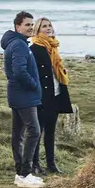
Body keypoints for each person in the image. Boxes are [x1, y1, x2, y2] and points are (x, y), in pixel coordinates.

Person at [1, 10, 42, 188]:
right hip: (24, 95)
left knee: (18, 134)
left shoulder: (17, 43)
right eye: (27, 25)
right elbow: (19, 70)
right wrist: (33, 84)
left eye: (32, 25)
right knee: (34, 131)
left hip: (18, 94)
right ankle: (25, 173)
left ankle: (20, 173)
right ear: (18, 26)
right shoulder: (19, 45)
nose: (30, 28)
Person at [29, 16, 72, 175]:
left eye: (49, 26)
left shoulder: (53, 47)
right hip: (42, 95)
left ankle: (51, 164)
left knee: (51, 131)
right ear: (37, 30)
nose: (48, 28)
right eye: (44, 26)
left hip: (55, 92)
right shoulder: (34, 47)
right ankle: (35, 164)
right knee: (38, 131)